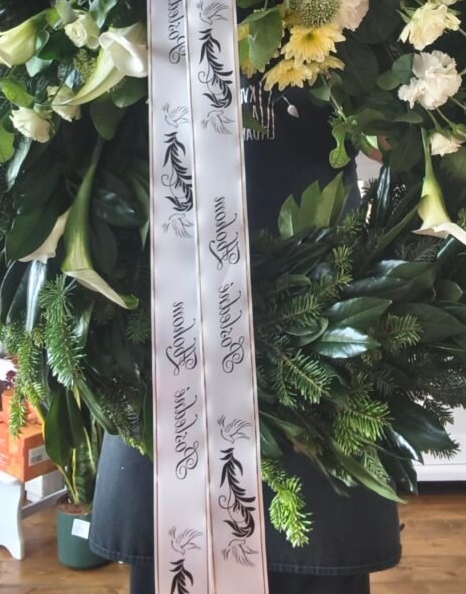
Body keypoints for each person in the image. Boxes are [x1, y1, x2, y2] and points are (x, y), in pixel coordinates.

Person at [90, 84, 402, 591]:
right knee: (179, 550)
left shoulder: (353, 43)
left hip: (319, 300)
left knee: (319, 554)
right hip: (172, 311)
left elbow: (390, 142)